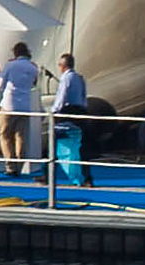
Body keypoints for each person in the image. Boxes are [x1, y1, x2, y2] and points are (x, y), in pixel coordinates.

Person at [49, 53, 93, 186]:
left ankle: (48, 174)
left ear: (63, 66)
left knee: (54, 143)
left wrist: (54, 111)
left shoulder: (66, 78)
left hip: (67, 112)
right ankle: (86, 177)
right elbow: (83, 96)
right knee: (82, 146)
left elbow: (62, 96)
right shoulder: (79, 78)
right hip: (80, 111)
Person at [0, 42, 38, 177]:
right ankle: (19, 165)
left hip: (9, 105)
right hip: (25, 105)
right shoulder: (33, 67)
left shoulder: (11, 65)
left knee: (5, 135)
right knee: (21, 137)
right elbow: (34, 83)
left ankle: (10, 165)